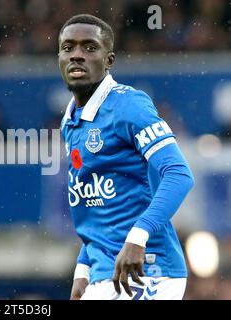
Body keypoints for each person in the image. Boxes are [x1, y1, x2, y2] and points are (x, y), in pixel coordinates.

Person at [58, 14, 194, 300]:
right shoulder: (70, 121)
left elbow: (179, 175)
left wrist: (138, 237)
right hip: (102, 275)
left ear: (109, 61)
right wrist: (84, 270)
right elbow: (96, 205)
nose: (78, 55)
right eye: (68, 48)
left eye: (90, 47)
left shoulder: (128, 104)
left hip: (149, 270)